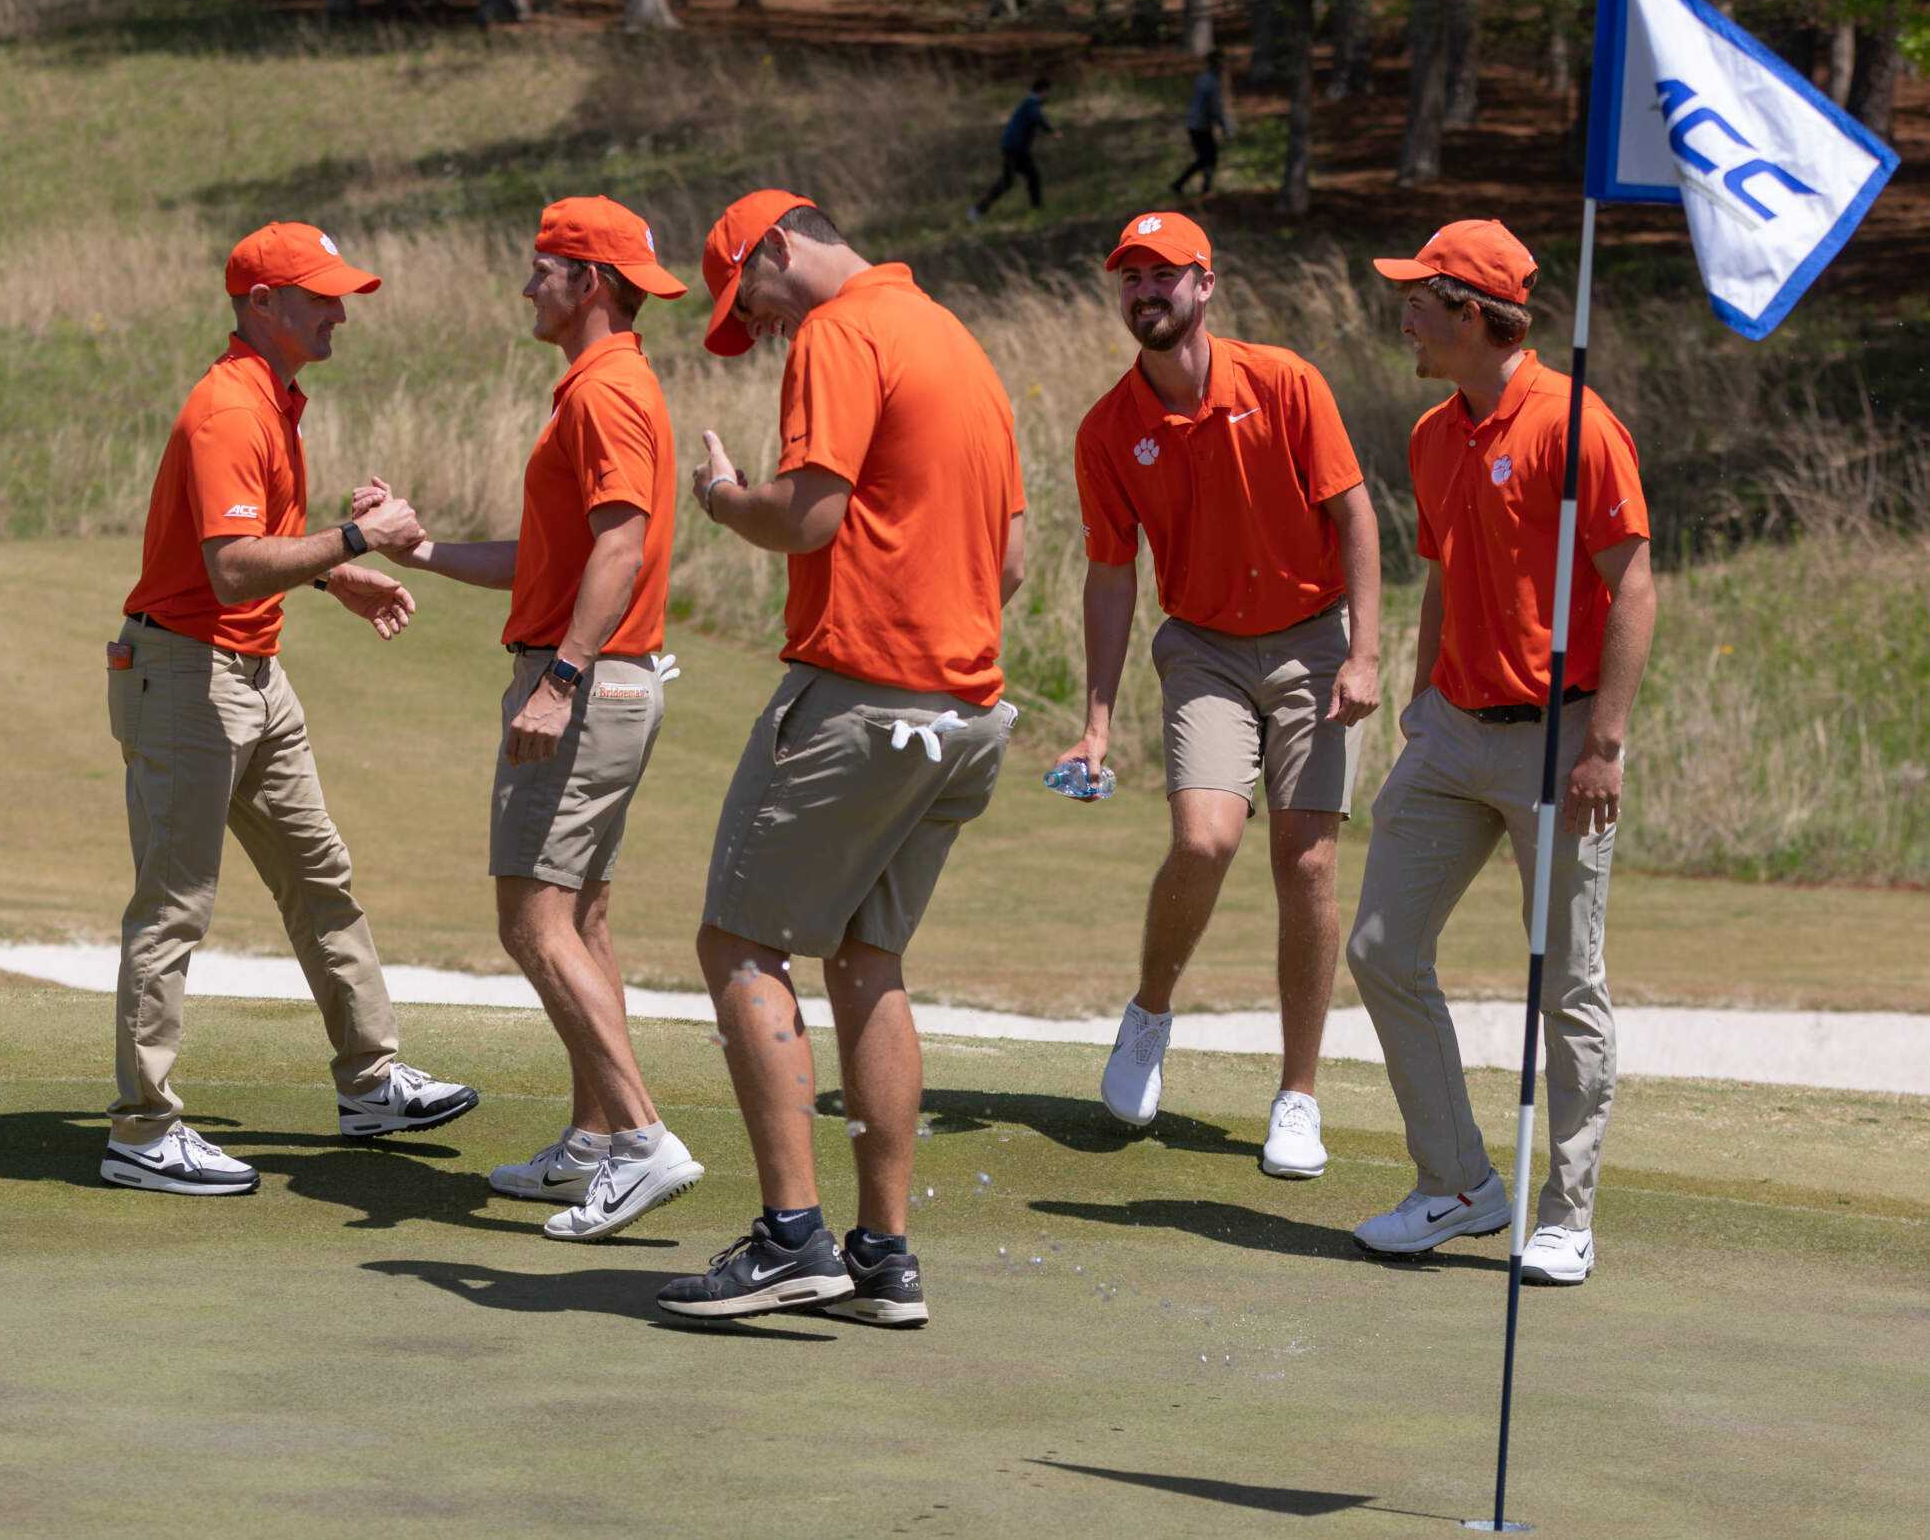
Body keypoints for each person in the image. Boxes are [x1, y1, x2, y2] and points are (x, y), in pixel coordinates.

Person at [658, 191, 1026, 1326]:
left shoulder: (839, 329)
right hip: (965, 712)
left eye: (746, 295)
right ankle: (882, 1255)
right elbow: (1010, 559)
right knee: (868, 957)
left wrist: (722, 498)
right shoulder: (953, 335)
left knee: (737, 938)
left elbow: (806, 514)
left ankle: (789, 1238)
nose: (757, 322)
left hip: (865, 696)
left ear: (778, 248)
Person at [101, 222, 479, 1196]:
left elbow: (255, 547)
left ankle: (368, 1080)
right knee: (173, 906)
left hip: (251, 674)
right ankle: (143, 1129)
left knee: (321, 876)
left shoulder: (272, 399)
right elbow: (229, 571)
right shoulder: (228, 408)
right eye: (319, 296)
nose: (339, 312)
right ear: (261, 303)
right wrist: (355, 532)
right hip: (188, 678)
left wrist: (335, 572)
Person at [365, 196, 701, 1242]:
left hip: (588, 688)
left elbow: (619, 547)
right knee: (583, 918)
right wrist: (418, 554)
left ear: (587, 282)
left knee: (530, 919)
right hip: (609, 680)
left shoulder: (606, 394)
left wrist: (559, 679)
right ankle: (597, 1137)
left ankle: (643, 1140)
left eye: (541, 268)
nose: (526, 286)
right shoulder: (602, 388)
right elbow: (546, 558)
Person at [1346, 219, 1656, 1285]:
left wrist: (1603, 743)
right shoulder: (1435, 431)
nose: (1404, 318)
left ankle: (1565, 1210)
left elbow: (1633, 587)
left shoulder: (1577, 425)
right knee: (1380, 947)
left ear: (1474, 313)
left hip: (1560, 742)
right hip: (1452, 735)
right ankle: (1459, 1184)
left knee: (1565, 980)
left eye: (1420, 301)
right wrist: (1426, 694)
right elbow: (1441, 566)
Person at [1062, 212, 1381, 1178]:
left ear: (1207, 286)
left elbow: (1355, 515)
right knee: (1205, 837)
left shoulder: (1285, 382)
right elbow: (1112, 575)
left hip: (1314, 642)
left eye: (1165, 275)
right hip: (1201, 646)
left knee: (1310, 862)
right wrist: (1097, 720)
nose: (1145, 292)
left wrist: (1366, 653)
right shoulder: (1110, 429)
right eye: (1131, 278)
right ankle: (1151, 1011)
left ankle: (1298, 1095)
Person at [970, 78, 1058, 220]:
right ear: (1043, 91)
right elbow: (1037, 118)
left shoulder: (1028, 103)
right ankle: (977, 211)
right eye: (1048, 92)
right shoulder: (1031, 104)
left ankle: (978, 211)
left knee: (1026, 178)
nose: (1048, 96)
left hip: (1013, 147)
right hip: (1015, 149)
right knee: (1013, 181)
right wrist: (1052, 131)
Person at [1170, 51, 1230, 198]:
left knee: (1207, 157)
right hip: (1200, 125)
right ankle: (1191, 186)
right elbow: (1214, 108)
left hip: (1195, 123)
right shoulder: (1212, 82)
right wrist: (1225, 126)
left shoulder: (1203, 78)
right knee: (1207, 158)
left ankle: (1201, 186)